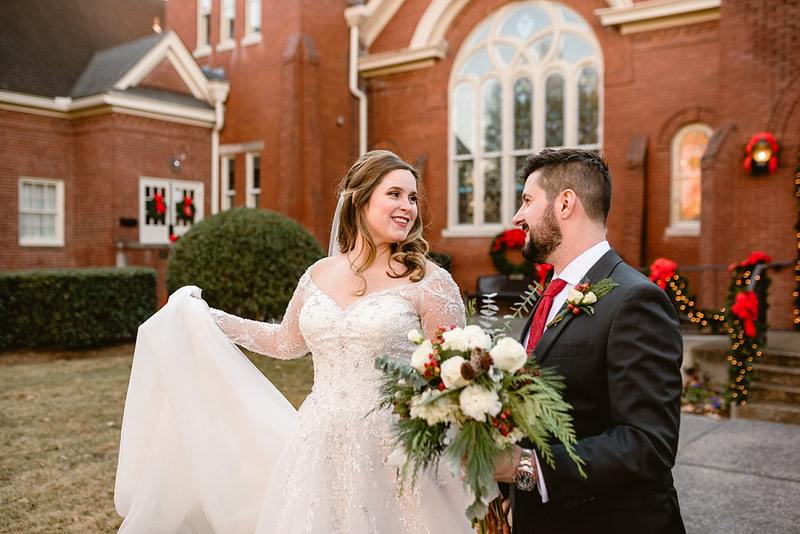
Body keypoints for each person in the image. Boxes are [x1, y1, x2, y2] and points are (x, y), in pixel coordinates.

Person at [114, 150, 473, 533]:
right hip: (318, 441)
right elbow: (285, 342)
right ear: (360, 199)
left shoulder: (430, 282)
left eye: (413, 198)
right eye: (395, 195)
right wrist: (208, 317)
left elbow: (454, 376)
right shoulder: (319, 273)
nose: (408, 207)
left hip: (397, 448)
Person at [492, 148, 686, 533]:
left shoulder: (635, 299)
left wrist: (524, 466)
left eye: (527, 200)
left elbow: (648, 444)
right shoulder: (550, 293)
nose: (517, 217)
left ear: (565, 203)